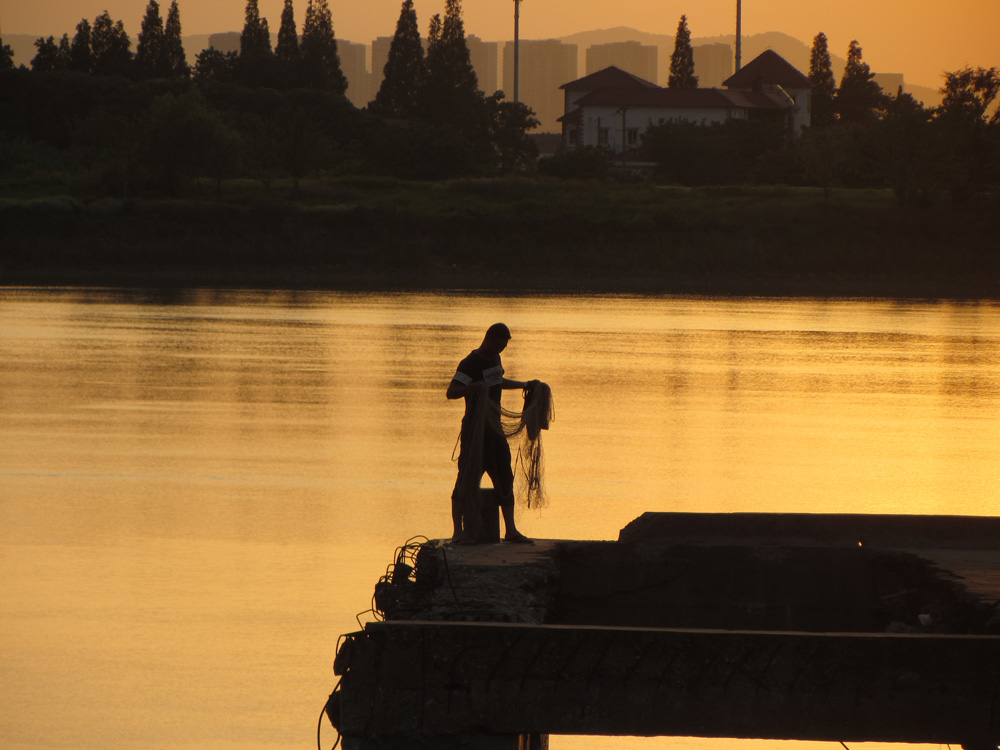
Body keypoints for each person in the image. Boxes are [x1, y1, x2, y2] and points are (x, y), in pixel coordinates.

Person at [446, 323, 534, 544]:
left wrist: (525, 384)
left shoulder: (496, 359)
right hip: (474, 432)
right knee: (466, 480)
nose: (502, 349)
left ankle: (511, 530)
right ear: (490, 339)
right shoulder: (470, 363)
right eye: (500, 344)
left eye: (504, 345)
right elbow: (452, 391)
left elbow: (498, 382)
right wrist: (475, 387)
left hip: (494, 431)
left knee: (505, 477)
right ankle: (459, 532)